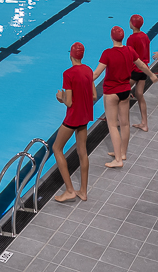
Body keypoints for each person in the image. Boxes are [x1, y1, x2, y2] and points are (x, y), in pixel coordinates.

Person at [51, 42, 97, 203]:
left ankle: (70, 190)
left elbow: (69, 102)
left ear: (70, 55)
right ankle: (83, 191)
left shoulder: (68, 74)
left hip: (72, 118)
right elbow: (94, 96)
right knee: (82, 152)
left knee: (56, 148)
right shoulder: (88, 70)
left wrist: (60, 98)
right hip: (84, 116)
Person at [92, 27, 133, 168]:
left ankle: (118, 160)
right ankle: (122, 153)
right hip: (126, 90)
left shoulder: (108, 53)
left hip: (112, 92)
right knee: (125, 123)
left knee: (113, 125)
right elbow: (139, 64)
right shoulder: (129, 50)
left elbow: (96, 74)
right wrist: (151, 75)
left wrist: (83, 79)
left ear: (111, 37)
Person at [127, 14, 158, 134]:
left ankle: (120, 121)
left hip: (135, 70)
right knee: (139, 95)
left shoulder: (131, 39)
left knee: (120, 92)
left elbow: (130, 57)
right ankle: (144, 123)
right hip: (144, 69)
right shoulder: (145, 36)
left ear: (132, 24)